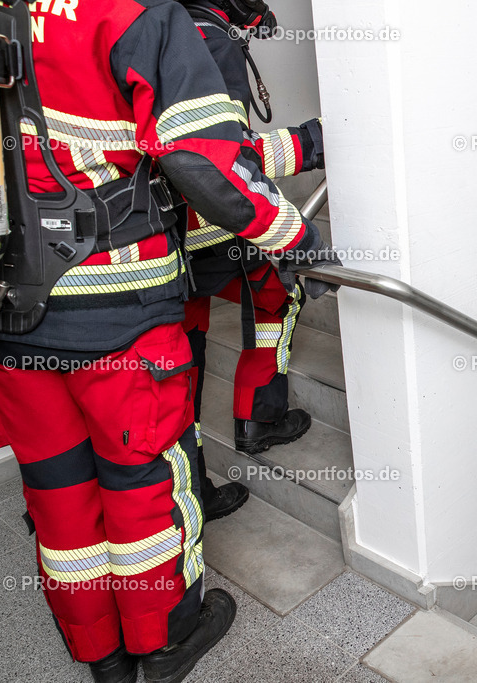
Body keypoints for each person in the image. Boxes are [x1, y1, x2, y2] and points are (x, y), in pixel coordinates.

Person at [0, 1, 336, 681]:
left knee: (58, 495)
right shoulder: (129, 12)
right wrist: (300, 241)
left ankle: (101, 656)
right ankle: (164, 640)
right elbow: (206, 165)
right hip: (117, 316)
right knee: (142, 485)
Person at [175, 0, 328, 522]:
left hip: (159, 250)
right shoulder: (211, 39)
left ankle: (190, 488)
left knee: (183, 360)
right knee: (280, 294)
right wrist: (309, 145)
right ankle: (259, 419)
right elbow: (223, 161)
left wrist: (306, 145)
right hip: (213, 231)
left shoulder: (157, 27)